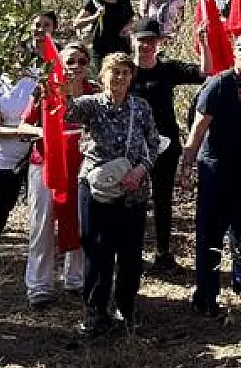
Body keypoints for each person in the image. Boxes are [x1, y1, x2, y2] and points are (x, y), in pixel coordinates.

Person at [182, 32, 241, 317]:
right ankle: (206, 296)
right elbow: (198, 128)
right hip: (216, 169)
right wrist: (186, 165)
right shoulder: (219, 84)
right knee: (211, 233)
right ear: (235, 54)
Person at [69, 53, 159, 336]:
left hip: (133, 188)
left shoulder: (141, 108)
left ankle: (127, 306)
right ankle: (95, 311)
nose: (119, 77)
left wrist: (139, 171)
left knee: (130, 251)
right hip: (96, 185)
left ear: (131, 77)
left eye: (124, 72)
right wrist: (65, 83)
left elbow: (154, 144)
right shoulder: (91, 105)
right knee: (97, 248)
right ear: (103, 74)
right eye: (113, 72)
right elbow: (63, 111)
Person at [128, 17, 206, 271]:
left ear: (158, 43)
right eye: (142, 40)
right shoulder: (125, 71)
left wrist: (204, 42)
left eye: (151, 40)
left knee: (163, 199)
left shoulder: (168, 69)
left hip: (165, 145)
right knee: (133, 200)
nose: (146, 45)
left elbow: (204, 73)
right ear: (133, 41)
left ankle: (163, 254)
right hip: (133, 147)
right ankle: (131, 253)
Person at [22, 43, 97, 308]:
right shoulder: (45, 91)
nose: (76, 66)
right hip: (46, 163)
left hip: (83, 166)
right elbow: (24, 125)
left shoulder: (95, 94)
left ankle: (75, 279)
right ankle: (39, 285)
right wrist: (43, 133)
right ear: (59, 64)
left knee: (80, 220)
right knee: (42, 224)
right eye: (70, 61)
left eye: (81, 61)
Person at [0, 15, 48, 251]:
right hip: (4, 155)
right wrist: (23, 131)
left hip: (38, 152)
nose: (17, 57)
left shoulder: (39, 79)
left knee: (40, 207)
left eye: (21, 51)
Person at [76, 0, 135, 64]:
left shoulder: (123, 0)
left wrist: (127, 28)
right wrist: (95, 16)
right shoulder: (95, 2)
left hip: (122, 47)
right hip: (101, 49)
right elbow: (77, 23)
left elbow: (131, 19)